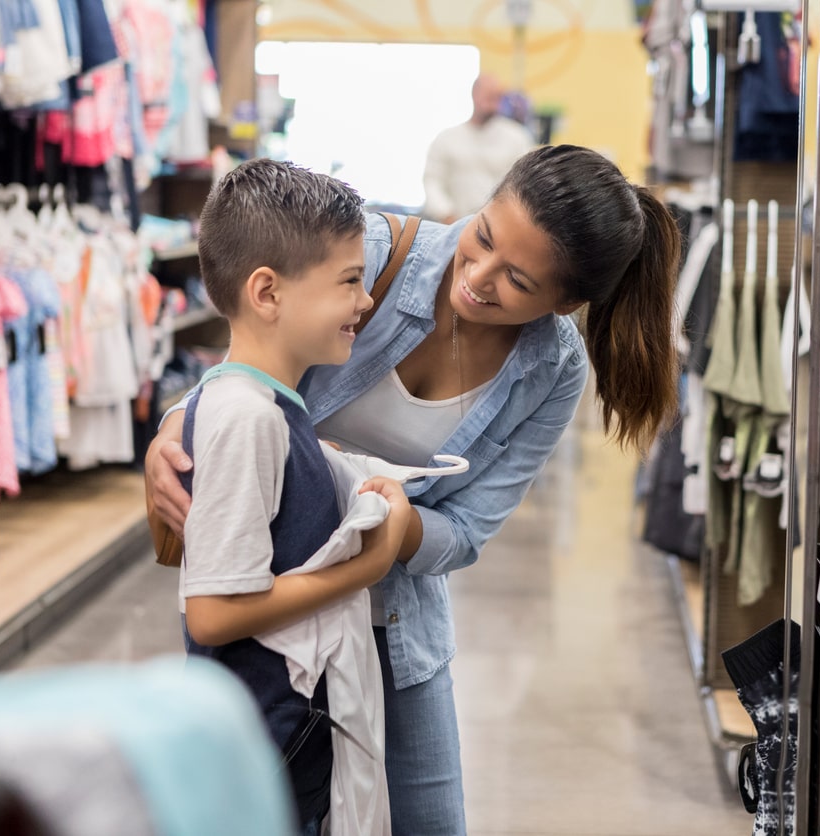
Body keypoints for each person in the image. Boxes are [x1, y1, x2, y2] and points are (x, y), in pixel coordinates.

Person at [147, 144, 681, 835]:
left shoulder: (552, 370)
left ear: (567, 302)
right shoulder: (365, 252)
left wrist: (393, 532)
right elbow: (244, 367)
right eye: (481, 236)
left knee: (426, 818)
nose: (478, 277)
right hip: (269, 611)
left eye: (517, 280)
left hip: (394, 622)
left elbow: (466, 531)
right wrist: (172, 430)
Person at [174, 158, 411, 835]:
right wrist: (365, 566)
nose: (365, 301)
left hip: (283, 737)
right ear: (268, 293)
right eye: (348, 281)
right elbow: (214, 613)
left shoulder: (272, 408)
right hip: (266, 747)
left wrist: (327, 468)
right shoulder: (246, 417)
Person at [421, 73, 535, 224]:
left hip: (500, 227)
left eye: (496, 97)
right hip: (453, 225)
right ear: (474, 94)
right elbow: (432, 181)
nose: (491, 103)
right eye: (487, 96)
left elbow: (526, 184)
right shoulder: (447, 139)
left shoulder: (517, 138)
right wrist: (447, 215)